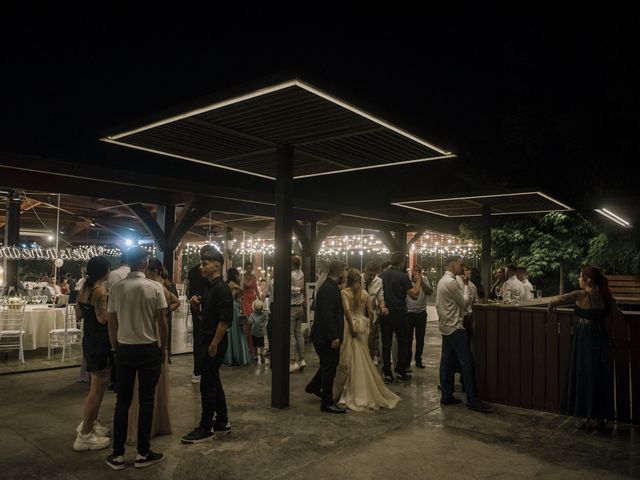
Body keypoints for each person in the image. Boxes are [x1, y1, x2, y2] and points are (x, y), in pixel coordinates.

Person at [106, 247, 168, 470]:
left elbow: (112, 322)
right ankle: (143, 452)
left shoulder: (117, 288)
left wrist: (114, 347)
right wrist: (164, 347)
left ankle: (118, 455)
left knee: (122, 402)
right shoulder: (155, 287)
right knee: (147, 400)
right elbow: (162, 321)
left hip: (124, 349)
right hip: (149, 348)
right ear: (145, 262)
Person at [548, 266, 615, 431]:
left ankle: (585, 417)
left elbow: (557, 299)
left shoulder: (581, 294)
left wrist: (550, 307)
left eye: (580, 277)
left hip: (585, 336)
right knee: (598, 374)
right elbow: (616, 312)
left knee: (584, 373)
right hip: (600, 336)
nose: (579, 279)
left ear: (588, 280)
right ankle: (600, 418)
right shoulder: (605, 296)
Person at [125, 258, 178, 444]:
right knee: (148, 385)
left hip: (146, 335)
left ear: (151, 270)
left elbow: (174, 303)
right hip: (150, 334)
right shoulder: (153, 287)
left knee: (143, 386)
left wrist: (161, 313)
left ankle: (143, 426)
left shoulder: (157, 287)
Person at [182, 250, 233, 443]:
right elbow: (207, 317)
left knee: (207, 385)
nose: (201, 267)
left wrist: (214, 344)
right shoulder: (210, 287)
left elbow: (225, 320)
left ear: (217, 265)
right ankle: (222, 420)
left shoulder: (221, 288)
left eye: (205, 263)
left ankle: (205, 427)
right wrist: (197, 306)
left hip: (214, 341)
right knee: (213, 380)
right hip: (209, 338)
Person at [333, 268, 400, 411]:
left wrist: (351, 326)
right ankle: (363, 388)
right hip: (362, 325)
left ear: (348, 280)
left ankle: (348, 392)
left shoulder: (344, 293)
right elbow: (370, 312)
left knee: (348, 357)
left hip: (349, 325)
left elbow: (346, 311)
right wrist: (368, 325)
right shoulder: (364, 293)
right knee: (362, 355)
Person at [436, 256, 492, 412]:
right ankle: (473, 400)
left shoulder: (442, 281)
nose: (463, 268)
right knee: (467, 362)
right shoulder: (452, 282)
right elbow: (465, 303)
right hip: (455, 327)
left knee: (446, 362)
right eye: (460, 265)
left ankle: (446, 395)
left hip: (446, 326)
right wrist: (466, 285)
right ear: (453, 266)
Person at [73, 256, 112, 451]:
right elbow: (103, 318)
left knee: (97, 388)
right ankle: (85, 434)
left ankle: (91, 422)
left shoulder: (84, 289)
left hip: (89, 340)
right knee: (97, 389)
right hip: (100, 343)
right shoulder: (100, 291)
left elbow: (78, 315)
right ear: (106, 271)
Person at [305, 260, 347, 414]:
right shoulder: (329, 288)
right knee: (330, 366)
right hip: (325, 337)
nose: (346, 275)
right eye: (345, 271)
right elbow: (327, 315)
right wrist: (334, 336)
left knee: (327, 364)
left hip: (324, 335)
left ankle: (314, 386)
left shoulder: (330, 286)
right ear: (340, 272)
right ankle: (327, 402)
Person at [379, 252, 421, 384]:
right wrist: (418, 281)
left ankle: (387, 372)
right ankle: (400, 370)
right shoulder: (402, 277)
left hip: (384, 313)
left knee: (386, 343)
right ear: (402, 262)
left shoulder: (381, 275)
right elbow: (414, 295)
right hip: (399, 314)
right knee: (403, 342)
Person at [187, 247, 214, 384]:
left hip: (196, 306)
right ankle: (203, 370)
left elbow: (188, 290)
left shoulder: (192, 271)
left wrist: (192, 301)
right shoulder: (209, 272)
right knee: (206, 339)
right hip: (204, 308)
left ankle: (198, 371)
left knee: (199, 340)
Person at [223, 268, 252, 366]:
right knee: (237, 330)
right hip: (233, 307)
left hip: (229, 306)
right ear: (234, 275)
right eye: (237, 274)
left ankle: (229, 356)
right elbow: (242, 291)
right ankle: (239, 354)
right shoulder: (232, 284)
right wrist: (238, 291)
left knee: (230, 331)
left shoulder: (227, 283)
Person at [406, 264, 433, 369]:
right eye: (415, 271)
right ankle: (407, 361)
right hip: (409, 313)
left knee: (420, 338)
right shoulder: (407, 280)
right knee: (408, 339)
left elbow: (430, 292)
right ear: (412, 272)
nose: (416, 273)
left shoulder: (424, 280)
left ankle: (418, 360)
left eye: (419, 271)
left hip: (421, 313)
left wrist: (421, 282)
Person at [362, 261, 386, 364]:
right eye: (369, 274)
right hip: (359, 314)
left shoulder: (379, 281)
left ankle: (370, 361)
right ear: (364, 270)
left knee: (371, 340)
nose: (372, 277)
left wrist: (383, 307)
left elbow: (380, 297)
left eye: (374, 275)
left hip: (373, 314)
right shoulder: (357, 279)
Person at [290, 254, 307, 373]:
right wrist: (299, 290)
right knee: (299, 334)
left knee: (291, 335)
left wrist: (297, 290)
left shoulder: (290, 274)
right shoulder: (302, 273)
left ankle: (292, 361)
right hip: (300, 306)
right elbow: (301, 288)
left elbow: (290, 288)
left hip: (292, 307)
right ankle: (302, 359)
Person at [241, 262, 259, 357]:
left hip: (253, 300)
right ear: (245, 268)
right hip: (245, 300)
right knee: (247, 322)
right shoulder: (242, 277)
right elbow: (240, 289)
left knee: (253, 323)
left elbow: (256, 289)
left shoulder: (254, 277)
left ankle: (252, 346)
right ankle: (247, 345)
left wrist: (260, 299)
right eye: (247, 267)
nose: (249, 269)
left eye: (250, 268)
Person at [248, 299, 267, 365]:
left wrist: (249, 330)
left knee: (255, 345)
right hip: (261, 332)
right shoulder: (263, 314)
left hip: (254, 332)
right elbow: (266, 320)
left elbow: (250, 322)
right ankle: (262, 352)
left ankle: (256, 356)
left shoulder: (252, 315)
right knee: (261, 344)